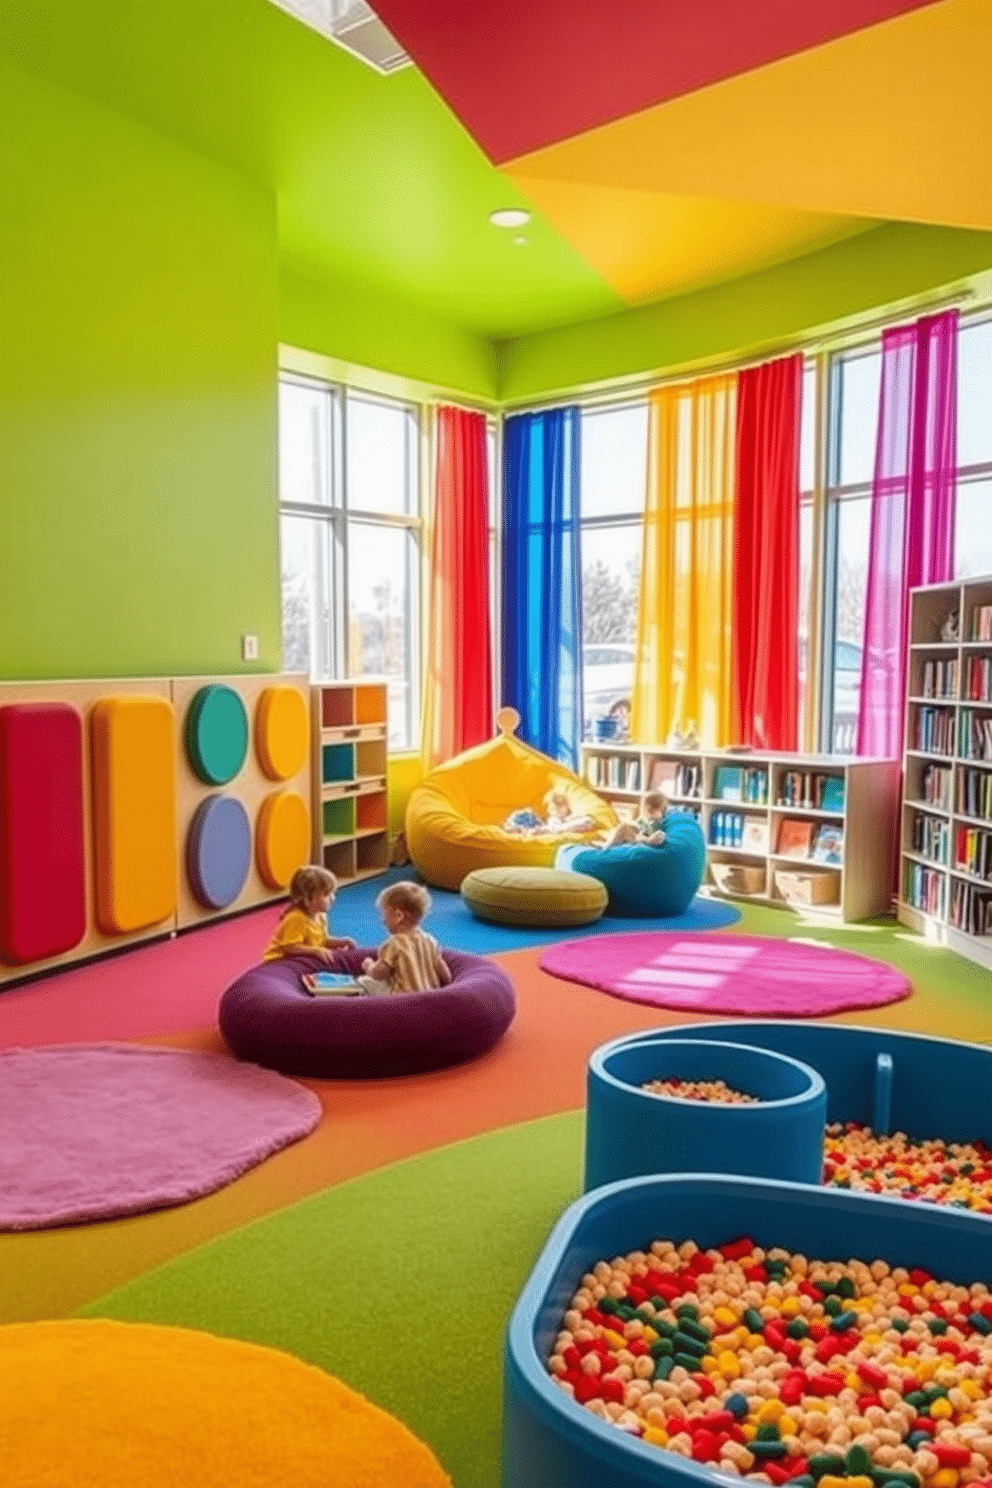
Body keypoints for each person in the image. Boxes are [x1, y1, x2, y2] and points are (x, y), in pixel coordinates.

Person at [358, 881, 452, 995]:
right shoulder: (430, 941)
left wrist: (369, 966)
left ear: (399, 916)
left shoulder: (395, 943)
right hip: (430, 997)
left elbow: (379, 973)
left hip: (403, 1001)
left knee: (363, 982)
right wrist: (448, 988)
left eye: (385, 915)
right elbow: (444, 973)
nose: (383, 920)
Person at [263, 865, 356, 963]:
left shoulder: (321, 916)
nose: (333, 898)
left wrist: (341, 942)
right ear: (308, 898)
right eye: (326, 894)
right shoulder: (297, 918)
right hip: (279, 961)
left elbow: (321, 941)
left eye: (333, 893)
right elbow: (289, 947)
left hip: (299, 959)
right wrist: (316, 951)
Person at [503, 786, 595, 837]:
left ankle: (517, 829)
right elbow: (548, 826)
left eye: (559, 805)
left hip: (551, 829)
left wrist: (550, 829)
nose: (556, 810)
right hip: (541, 827)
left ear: (568, 806)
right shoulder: (551, 820)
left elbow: (587, 822)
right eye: (552, 808)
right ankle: (515, 828)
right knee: (525, 816)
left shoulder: (573, 817)